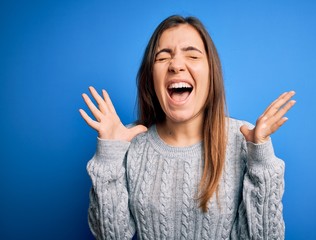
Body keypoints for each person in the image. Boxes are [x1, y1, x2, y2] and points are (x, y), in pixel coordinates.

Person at [79, 15, 296, 240]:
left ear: (212, 73)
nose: (176, 65)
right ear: (150, 77)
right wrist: (109, 157)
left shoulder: (243, 140)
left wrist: (261, 159)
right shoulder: (129, 142)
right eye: (163, 57)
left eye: (192, 55)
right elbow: (111, 236)